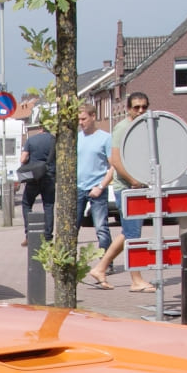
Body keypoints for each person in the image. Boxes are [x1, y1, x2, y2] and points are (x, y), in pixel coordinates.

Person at [86, 92, 155, 292]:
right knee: (133, 234)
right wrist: (133, 180)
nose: (141, 110)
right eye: (136, 107)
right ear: (128, 108)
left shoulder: (143, 127)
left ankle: (100, 268)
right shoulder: (122, 128)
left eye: (144, 107)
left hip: (136, 186)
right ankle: (136, 279)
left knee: (128, 232)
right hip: (126, 188)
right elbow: (115, 160)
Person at [76, 105, 113, 288]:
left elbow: (112, 166)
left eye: (83, 119)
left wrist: (101, 186)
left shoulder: (105, 138)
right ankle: (70, 262)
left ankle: (106, 262)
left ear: (93, 116)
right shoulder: (76, 138)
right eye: (79, 120)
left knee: (101, 227)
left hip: (96, 188)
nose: (80, 123)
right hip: (78, 188)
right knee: (72, 227)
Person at [17, 123, 55, 244]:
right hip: (49, 176)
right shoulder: (55, 141)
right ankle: (48, 237)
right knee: (48, 206)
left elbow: (23, 159)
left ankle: (29, 235)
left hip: (34, 177)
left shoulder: (31, 140)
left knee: (27, 203)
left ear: (40, 128)